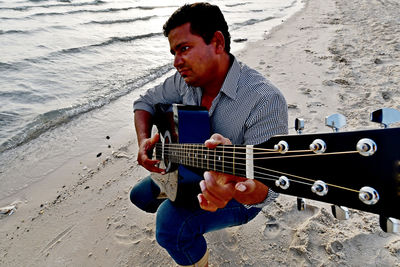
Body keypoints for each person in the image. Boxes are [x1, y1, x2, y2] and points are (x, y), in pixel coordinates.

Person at [130, 3, 288, 266]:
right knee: (139, 197)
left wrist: (233, 189)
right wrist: (144, 140)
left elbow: (267, 189)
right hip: (187, 170)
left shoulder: (264, 99)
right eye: (173, 52)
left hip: (240, 196)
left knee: (169, 226)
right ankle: (187, 197)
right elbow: (143, 103)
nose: (176, 62)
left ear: (216, 42)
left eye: (184, 49)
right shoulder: (185, 80)